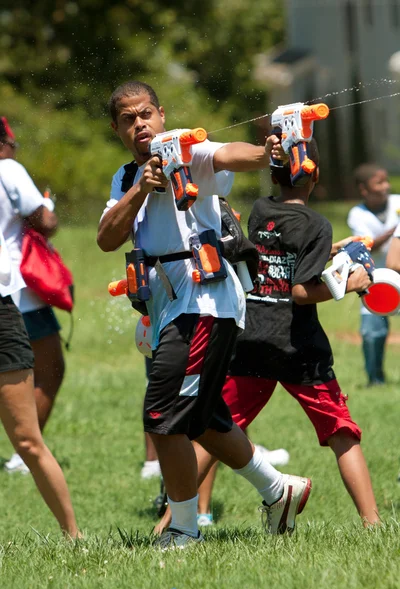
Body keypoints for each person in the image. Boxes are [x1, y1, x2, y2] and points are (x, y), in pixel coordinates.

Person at [98, 80, 312, 549]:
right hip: (165, 305)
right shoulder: (123, 177)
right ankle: (280, 490)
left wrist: (266, 151)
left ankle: (182, 528)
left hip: (203, 301)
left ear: (161, 113)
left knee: (162, 414)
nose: (141, 125)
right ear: (116, 128)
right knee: (203, 419)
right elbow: (106, 238)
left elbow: (230, 154)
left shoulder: (186, 151)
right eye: (129, 119)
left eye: (147, 114)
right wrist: (140, 188)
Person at [155, 137, 380, 535]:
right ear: (315, 178)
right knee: (341, 430)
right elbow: (299, 289)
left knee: (215, 430)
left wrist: (331, 252)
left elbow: (278, 259)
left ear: (274, 174)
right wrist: (351, 280)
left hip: (251, 339)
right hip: (298, 346)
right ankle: (372, 523)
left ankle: (174, 523)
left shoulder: (261, 211)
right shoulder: (318, 224)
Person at [0, 223, 79, 537]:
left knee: (28, 442)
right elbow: (46, 219)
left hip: (4, 310)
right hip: (14, 308)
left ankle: (73, 536)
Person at [0, 116, 67, 474]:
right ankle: (23, 452)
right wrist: (48, 206)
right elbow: (44, 221)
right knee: (48, 368)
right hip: (17, 291)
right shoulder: (8, 169)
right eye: (12, 144)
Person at [347, 164, 400, 386]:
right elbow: (370, 246)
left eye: (386, 181)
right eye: (378, 182)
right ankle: (375, 379)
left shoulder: (397, 202)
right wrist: (396, 230)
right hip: (376, 281)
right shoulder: (357, 214)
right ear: (364, 189)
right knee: (372, 334)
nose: (385, 186)